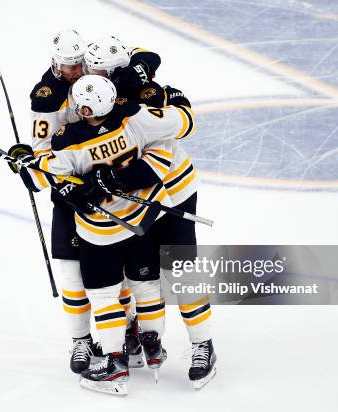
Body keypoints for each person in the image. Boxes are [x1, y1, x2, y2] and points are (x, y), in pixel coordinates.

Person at [14, 75, 196, 395]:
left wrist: (23, 161)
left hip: (99, 230)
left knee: (103, 296)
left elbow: (40, 177)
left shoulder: (70, 139)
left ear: (85, 108)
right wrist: (177, 102)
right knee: (146, 284)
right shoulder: (131, 121)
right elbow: (176, 127)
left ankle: (114, 365)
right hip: (139, 220)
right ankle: (152, 345)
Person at [83, 36, 216, 389]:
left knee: (181, 273)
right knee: (135, 276)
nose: (87, 74)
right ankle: (132, 337)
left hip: (172, 196)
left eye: (96, 70)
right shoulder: (95, 94)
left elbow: (185, 123)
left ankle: (203, 344)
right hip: (136, 202)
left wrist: (173, 98)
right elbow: (145, 55)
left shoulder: (143, 105)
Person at [7, 29, 141, 374]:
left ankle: (126, 333)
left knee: (119, 275)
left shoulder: (92, 78)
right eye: (69, 65)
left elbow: (143, 58)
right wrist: (31, 166)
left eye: (80, 62)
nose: (77, 70)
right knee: (72, 274)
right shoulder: (47, 97)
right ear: (54, 63)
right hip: (71, 192)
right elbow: (42, 153)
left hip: (107, 189)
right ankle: (81, 342)